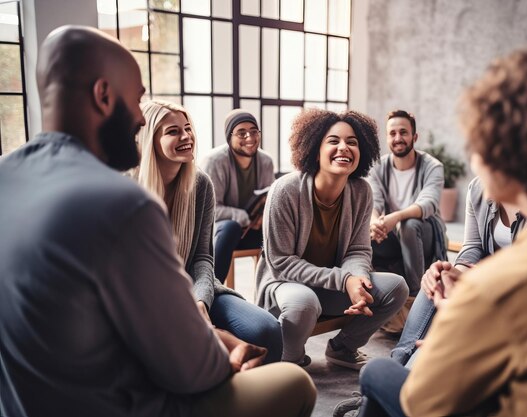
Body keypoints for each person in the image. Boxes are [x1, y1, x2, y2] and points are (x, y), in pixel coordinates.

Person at [0, 25, 315, 417]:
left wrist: (207, 323)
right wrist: (223, 351)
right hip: (112, 403)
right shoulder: (121, 202)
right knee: (295, 382)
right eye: (137, 99)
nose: (138, 117)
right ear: (103, 95)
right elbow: (194, 373)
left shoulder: (6, 176)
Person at [362, 47, 527, 417]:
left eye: (476, 143)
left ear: (505, 159)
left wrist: (456, 326)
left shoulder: (498, 290)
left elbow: (423, 404)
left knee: (377, 371)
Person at [333, 177, 527, 416]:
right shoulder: (478, 187)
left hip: (510, 296)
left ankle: (386, 392)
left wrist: (476, 281)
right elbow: (473, 248)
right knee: (434, 283)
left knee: (375, 372)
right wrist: (453, 273)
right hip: (484, 283)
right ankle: (395, 375)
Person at [255, 108, 409, 370]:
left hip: (330, 285)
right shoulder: (285, 190)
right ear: (315, 149)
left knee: (396, 287)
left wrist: (358, 280)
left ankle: (343, 348)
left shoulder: (361, 191)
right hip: (285, 285)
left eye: (352, 142)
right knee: (304, 304)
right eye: (333, 141)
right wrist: (345, 280)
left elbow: (359, 250)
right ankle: (289, 360)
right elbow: (281, 263)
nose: (344, 148)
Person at [133, 99, 283, 363]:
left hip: (195, 285)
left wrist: (201, 300)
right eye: (173, 131)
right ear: (149, 139)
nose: (186, 136)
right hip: (145, 296)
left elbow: (202, 258)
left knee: (268, 331)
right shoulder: (126, 187)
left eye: (188, 128)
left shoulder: (201, 184)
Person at [367, 110, 447, 331]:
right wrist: (375, 222)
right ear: (387, 138)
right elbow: (373, 202)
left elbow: (428, 204)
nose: (398, 138)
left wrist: (396, 217)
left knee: (408, 224)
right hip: (391, 234)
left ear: (414, 137)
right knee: (365, 230)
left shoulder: (432, 166)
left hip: (426, 232)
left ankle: (414, 298)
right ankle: (371, 296)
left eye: (403, 132)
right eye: (392, 133)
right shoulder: (378, 167)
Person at [200, 110, 274, 283]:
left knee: (279, 229)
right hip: (220, 233)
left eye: (254, 131)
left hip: (252, 232)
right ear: (229, 137)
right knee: (231, 227)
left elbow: (270, 201)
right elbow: (208, 210)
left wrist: (263, 217)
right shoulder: (213, 161)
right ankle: (212, 289)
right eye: (241, 133)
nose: (249, 137)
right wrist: (244, 217)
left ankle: (272, 292)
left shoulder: (266, 161)